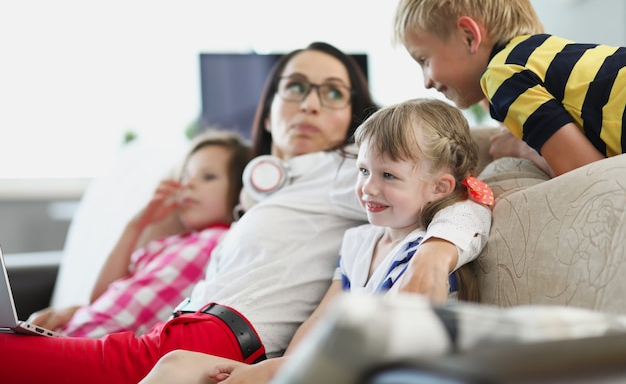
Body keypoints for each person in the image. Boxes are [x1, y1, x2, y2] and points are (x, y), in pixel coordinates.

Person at [0, 41, 489, 384]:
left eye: (333, 92)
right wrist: (87, 317)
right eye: (294, 87)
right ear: (270, 104)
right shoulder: (262, 188)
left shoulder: (351, 171)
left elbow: (467, 191)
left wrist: (436, 253)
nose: (310, 105)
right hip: (178, 332)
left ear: (353, 116)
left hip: (222, 336)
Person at [137, 98, 493, 384]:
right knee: (177, 363)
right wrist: (278, 370)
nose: (368, 187)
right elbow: (319, 320)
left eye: (388, 175)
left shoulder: (424, 251)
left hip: (370, 370)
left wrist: (270, 372)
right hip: (318, 366)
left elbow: (382, 352)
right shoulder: (359, 241)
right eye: (364, 171)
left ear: (440, 187)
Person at [393, 0, 626, 177]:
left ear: (469, 36)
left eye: (424, 60)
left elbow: (585, 172)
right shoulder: (539, 56)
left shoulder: (502, 75)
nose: (426, 82)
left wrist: (521, 148)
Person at [27, 128, 251, 338]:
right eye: (184, 177)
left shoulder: (225, 241)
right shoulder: (169, 244)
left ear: (241, 189)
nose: (188, 184)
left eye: (208, 177)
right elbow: (100, 298)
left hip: (94, 347)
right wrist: (135, 225)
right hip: (73, 335)